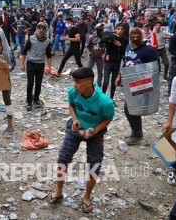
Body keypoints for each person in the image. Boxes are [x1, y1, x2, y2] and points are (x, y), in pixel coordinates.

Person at [48, 67, 115, 214]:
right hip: (76, 129)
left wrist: (94, 131)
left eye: (78, 82)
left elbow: (108, 118)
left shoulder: (105, 102)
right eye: (74, 81)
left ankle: (87, 197)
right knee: (63, 158)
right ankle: (58, 192)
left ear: (89, 83)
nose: (74, 85)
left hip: (95, 132)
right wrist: (75, 119)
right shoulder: (73, 92)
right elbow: (71, 105)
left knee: (94, 163)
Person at [117, 28, 159, 145]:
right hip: (129, 81)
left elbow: (155, 69)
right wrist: (120, 76)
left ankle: (136, 134)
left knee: (129, 107)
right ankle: (137, 132)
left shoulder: (149, 50)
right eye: (133, 36)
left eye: (137, 36)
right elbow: (125, 62)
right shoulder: (128, 47)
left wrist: (149, 85)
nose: (135, 38)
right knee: (131, 107)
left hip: (142, 83)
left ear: (142, 36)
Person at [21, 22, 52, 111]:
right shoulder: (31, 39)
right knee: (30, 83)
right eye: (39, 28)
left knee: (38, 83)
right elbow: (24, 52)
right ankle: (29, 102)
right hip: (30, 63)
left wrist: (50, 67)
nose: (41, 30)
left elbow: (49, 55)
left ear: (46, 30)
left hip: (40, 64)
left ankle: (36, 100)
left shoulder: (47, 41)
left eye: (43, 28)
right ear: (37, 29)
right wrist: (22, 64)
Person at [101, 23, 128, 100]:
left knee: (114, 82)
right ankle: (102, 98)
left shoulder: (125, 40)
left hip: (117, 62)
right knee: (105, 81)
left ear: (124, 31)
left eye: (121, 29)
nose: (120, 31)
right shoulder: (111, 36)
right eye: (118, 29)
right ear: (115, 29)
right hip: (108, 62)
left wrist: (120, 45)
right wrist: (112, 38)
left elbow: (125, 51)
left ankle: (111, 98)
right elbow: (103, 39)